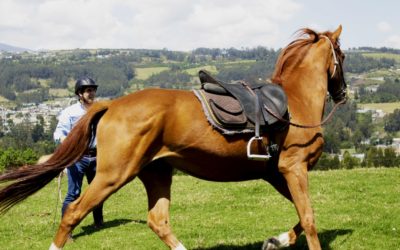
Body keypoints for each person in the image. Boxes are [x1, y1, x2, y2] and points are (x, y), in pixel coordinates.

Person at [53, 77, 104, 239]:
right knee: (73, 193)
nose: (92, 93)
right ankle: (66, 230)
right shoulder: (70, 112)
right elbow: (58, 132)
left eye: (93, 90)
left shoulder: (100, 110)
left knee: (97, 191)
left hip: (97, 156)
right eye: (88, 90)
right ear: (79, 93)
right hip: (78, 158)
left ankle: (99, 221)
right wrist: (64, 143)